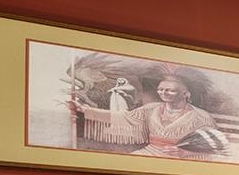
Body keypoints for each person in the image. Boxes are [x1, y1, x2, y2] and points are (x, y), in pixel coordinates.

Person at [68, 65, 227, 158]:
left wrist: (183, 153)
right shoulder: (152, 109)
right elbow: (124, 117)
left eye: (170, 90)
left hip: (184, 161)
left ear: (186, 94)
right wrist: (85, 110)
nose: (163, 93)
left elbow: (213, 148)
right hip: (150, 153)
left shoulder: (202, 117)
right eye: (161, 89)